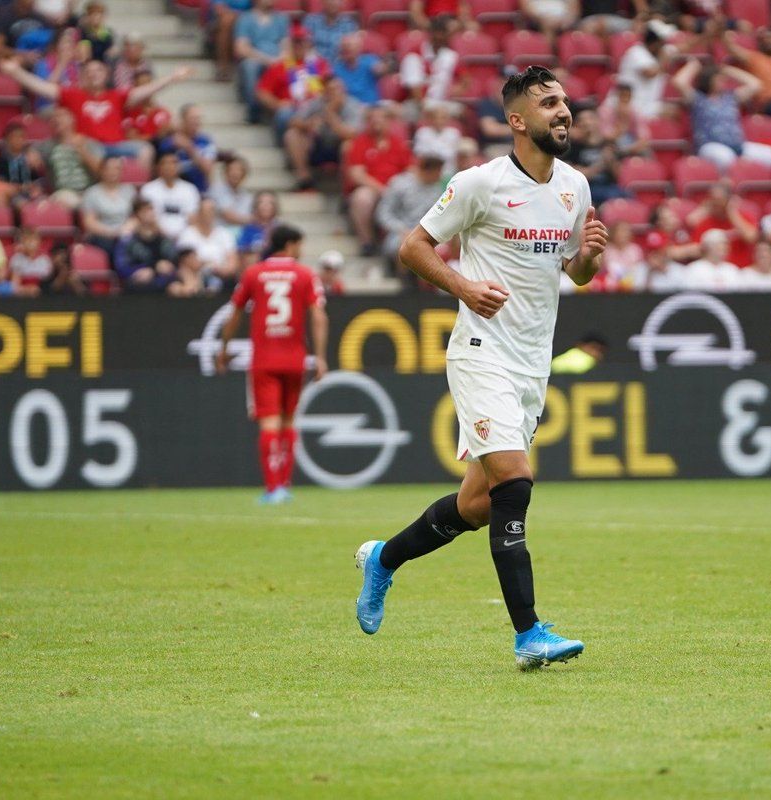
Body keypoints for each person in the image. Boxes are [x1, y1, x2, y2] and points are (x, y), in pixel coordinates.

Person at [354, 66, 605, 669]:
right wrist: (464, 287)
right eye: (548, 103)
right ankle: (529, 635)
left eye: (565, 101)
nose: (563, 111)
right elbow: (412, 246)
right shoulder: (478, 184)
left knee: (478, 506)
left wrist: (589, 259)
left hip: (531, 367)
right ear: (517, 120)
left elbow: (574, 271)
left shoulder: (575, 187)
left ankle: (383, 559)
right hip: (481, 353)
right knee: (516, 484)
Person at [215, 224, 329, 504]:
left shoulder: (253, 273)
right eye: (299, 245)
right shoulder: (305, 274)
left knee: (269, 423)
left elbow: (235, 313)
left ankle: (272, 487)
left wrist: (224, 348)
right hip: (295, 358)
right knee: (289, 421)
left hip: (264, 359)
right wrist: (321, 356)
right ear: (290, 245)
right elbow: (318, 316)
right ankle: (285, 485)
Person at [0, 55, 193, 169]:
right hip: (89, 147)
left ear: (106, 75)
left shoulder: (116, 96)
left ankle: (135, 190)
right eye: (89, 72)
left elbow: (146, 90)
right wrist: (16, 72)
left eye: (98, 71)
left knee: (145, 150)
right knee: (100, 156)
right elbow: (41, 88)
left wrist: (172, 78)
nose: (94, 75)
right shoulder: (72, 95)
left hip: (116, 146)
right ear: (82, 76)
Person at [674, 59, 771, 173]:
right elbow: (678, 82)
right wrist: (693, 66)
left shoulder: (730, 97)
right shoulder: (698, 99)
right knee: (725, 158)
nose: (723, 82)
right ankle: (731, 185)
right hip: (710, 146)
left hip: (737, 146)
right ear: (708, 80)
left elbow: (756, 84)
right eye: (718, 79)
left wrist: (730, 71)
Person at [346, 105, 413, 256]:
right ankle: (367, 242)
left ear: (389, 121)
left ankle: (406, 240)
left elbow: (410, 170)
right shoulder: (361, 142)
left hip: (396, 187)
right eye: (372, 118)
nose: (376, 122)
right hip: (373, 188)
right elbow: (357, 174)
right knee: (361, 198)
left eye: (381, 118)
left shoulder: (398, 143)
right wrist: (381, 189)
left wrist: (396, 188)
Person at [374, 152, 448, 281]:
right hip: (399, 233)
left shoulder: (437, 189)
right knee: (407, 242)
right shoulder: (400, 184)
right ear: (427, 171)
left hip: (429, 233)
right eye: (438, 172)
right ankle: (405, 283)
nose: (440, 176)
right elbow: (383, 214)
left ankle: (432, 288)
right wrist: (401, 229)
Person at [256, 25, 332, 147]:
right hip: (293, 111)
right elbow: (261, 92)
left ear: (308, 43)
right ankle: (296, 138)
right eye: (296, 41)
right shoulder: (279, 66)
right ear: (290, 44)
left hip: (316, 108)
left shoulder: (320, 64)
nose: (299, 45)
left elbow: (332, 86)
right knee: (284, 113)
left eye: (302, 41)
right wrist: (277, 104)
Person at [283, 74, 363, 190]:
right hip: (318, 145)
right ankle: (305, 178)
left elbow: (351, 134)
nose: (336, 93)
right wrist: (307, 125)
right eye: (332, 89)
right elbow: (292, 121)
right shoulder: (317, 102)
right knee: (292, 134)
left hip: (339, 148)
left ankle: (347, 189)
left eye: (339, 89)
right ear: (325, 91)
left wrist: (330, 113)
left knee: (348, 145)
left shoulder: (353, 105)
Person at [234, 0, 290, 124]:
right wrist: (266, 59)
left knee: (290, 66)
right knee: (250, 66)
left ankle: (284, 110)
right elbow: (241, 48)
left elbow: (286, 46)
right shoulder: (246, 18)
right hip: (256, 57)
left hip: (277, 59)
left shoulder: (281, 19)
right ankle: (253, 110)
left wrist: (279, 59)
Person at [40, 106, 103, 209]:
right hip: (65, 193)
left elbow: (101, 173)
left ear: (72, 119)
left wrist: (83, 152)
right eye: (53, 118)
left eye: (60, 116)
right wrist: (31, 153)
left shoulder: (89, 143)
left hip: (89, 191)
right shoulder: (47, 146)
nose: (56, 119)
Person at [399, 15, 461, 117]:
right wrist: (432, 112)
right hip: (418, 105)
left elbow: (465, 80)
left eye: (443, 34)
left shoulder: (451, 56)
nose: (440, 37)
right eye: (437, 33)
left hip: (441, 104)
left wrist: (455, 90)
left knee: (461, 112)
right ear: (430, 34)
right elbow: (415, 92)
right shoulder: (414, 56)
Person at [113, 198, 178, 292]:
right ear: (137, 215)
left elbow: (174, 259)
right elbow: (121, 265)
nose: (150, 213)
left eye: (152, 210)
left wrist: (168, 267)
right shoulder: (128, 239)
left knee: (177, 286)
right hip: (139, 280)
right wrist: (137, 271)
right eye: (145, 211)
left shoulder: (163, 238)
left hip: (164, 279)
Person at [176, 197, 239, 288]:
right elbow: (186, 262)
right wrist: (209, 265)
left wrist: (221, 270)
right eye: (205, 211)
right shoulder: (187, 234)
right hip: (197, 277)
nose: (209, 214)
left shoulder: (224, 233)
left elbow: (233, 263)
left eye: (212, 210)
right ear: (199, 213)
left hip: (223, 277)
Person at [80, 155, 137, 256]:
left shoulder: (130, 191)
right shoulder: (92, 193)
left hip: (125, 233)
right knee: (111, 246)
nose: (113, 172)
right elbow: (89, 222)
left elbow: (136, 216)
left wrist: (126, 229)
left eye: (116, 169)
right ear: (101, 170)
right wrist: (112, 232)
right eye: (108, 168)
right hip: (102, 235)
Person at [617, 23, 672, 120]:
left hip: (649, 105)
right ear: (656, 43)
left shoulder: (655, 54)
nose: (664, 45)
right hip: (632, 106)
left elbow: (682, 47)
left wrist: (703, 36)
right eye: (662, 42)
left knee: (675, 112)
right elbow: (650, 73)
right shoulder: (636, 52)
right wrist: (663, 59)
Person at [140, 151, 201, 238]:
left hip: (184, 236)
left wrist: (181, 236)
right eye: (165, 163)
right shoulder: (148, 189)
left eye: (173, 163)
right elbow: (148, 218)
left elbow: (193, 218)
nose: (169, 167)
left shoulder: (190, 189)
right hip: (157, 235)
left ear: (179, 166)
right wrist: (165, 235)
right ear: (158, 167)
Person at [159, 104, 217, 193]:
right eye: (192, 118)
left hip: (199, 190)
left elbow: (207, 168)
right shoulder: (171, 141)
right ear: (183, 119)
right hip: (172, 190)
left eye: (198, 118)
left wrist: (189, 147)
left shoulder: (205, 141)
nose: (196, 122)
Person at [0, 119, 47, 202]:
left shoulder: (30, 159)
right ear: (7, 139)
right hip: (13, 196)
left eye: (22, 137)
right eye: (14, 137)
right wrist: (20, 188)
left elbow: (38, 179)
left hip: (32, 193)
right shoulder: (1, 161)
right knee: (20, 203)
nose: (18, 140)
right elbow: (1, 183)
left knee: (44, 204)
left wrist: (36, 188)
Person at [331, 33, 384, 107]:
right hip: (349, 108)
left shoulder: (369, 60)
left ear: (358, 48)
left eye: (348, 46)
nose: (344, 49)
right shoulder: (337, 68)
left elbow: (381, 70)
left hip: (371, 106)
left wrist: (380, 69)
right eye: (343, 47)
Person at [209, 156, 254, 228]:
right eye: (232, 169)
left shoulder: (246, 196)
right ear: (225, 173)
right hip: (221, 233)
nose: (236, 173)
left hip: (241, 234)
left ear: (244, 175)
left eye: (239, 170)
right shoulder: (216, 190)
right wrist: (254, 219)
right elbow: (228, 216)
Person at [237, 190, 279, 266]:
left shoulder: (280, 229)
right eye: (261, 202)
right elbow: (242, 253)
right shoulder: (248, 229)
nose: (265, 206)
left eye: (270, 203)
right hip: (255, 268)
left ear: (275, 207)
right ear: (255, 206)